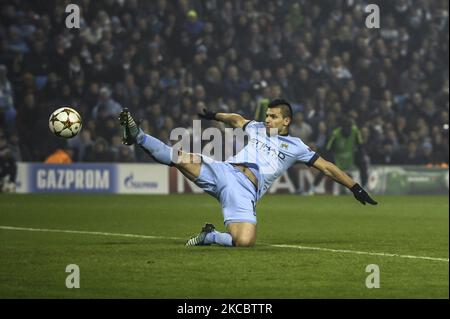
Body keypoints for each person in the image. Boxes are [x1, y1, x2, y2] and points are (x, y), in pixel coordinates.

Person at [119, 99, 377, 247]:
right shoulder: (256, 128)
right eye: (266, 115)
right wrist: (215, 115)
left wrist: (354, 186)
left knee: (244, 242)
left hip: (244, 191)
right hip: (223, 171)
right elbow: (236, 119)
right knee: (179, 158)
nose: (267, 119)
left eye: (273, 116)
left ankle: (210, 236)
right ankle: (138, 135)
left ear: (286, 121)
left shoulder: (296, 147)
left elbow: (327, 167)